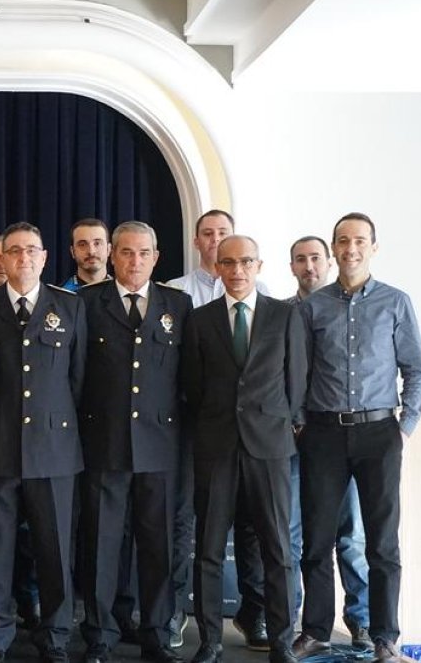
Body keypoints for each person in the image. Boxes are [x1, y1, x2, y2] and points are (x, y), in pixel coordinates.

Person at [294, 213, 421, 662]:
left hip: (378, 433)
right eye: (343, 241)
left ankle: (384, 637)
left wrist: (404, 425)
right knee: (317, 539)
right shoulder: (313, 307)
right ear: (334, 249)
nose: (351, 248)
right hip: (324, 433)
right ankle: (314, 630)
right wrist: (300, 422)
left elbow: (416, 368)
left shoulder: (395, 302)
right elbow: (299, 372)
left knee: (382, 542)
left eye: (359, 241)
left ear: (373, 246)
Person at [181, 235, 306, 663]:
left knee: (277, 550)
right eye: (228, 262)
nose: (236, 270)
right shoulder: (199, 320)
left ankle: (282, 641)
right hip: (216, 446)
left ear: (259, 265)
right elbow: (192, 388)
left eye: (245, 262)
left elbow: (297, 383)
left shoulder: (284, 317)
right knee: (210, 549)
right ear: (217, 266)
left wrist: (282, 427)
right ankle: (211, 640)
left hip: (269, 446)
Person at [0, 222, 87, 663]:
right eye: (14, 252)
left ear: (44, 258)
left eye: (31, 251)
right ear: (1, 260)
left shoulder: (70, 306)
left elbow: (79, 379)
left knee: (54, 552)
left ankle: (55, 637)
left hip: (54, 449)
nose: (22, 259)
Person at [77, 221, 191, 663]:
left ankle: (157, 633)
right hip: (103, 442)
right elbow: (77, 375)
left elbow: (189, 379)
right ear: (112, 256)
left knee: (158, 546)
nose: (135, 261)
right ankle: (100, 636)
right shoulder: (86, 303)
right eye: (126, 252)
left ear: (156, 257)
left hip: (161, 446)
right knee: (103, 544)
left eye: (144, 253)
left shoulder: (177, 306)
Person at [167, 210, 268, 649]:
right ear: (197, 241)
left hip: (257, 438)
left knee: (254, 531)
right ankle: (178, 615)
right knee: (190, 528)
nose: (215, 242)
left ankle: (255, 615)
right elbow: (186, 375)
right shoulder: (176, 293)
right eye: (207, 235)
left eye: (222, 234)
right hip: (199, 433)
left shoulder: (266, 299)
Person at [285, 235, 371, 648]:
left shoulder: (349, 309)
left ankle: (362, 621)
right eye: (300, 260)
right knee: (297, 535)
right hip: (296, 441)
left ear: (330, 260)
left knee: (351, 534)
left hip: (345, 439)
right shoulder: (282, 314)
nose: (309, 267)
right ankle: (301, 622)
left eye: (315, 258)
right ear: (291, 267)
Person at [61, 219, 110, 291]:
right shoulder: (60, 297)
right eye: (82, 245)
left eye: (97, 243)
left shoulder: (122, 291)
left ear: (109, 249)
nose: (91, 251)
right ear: (72, 252)